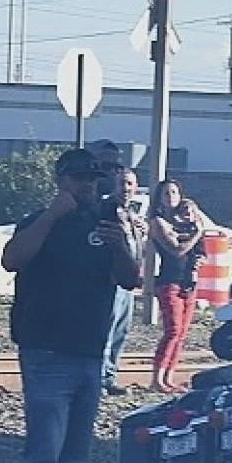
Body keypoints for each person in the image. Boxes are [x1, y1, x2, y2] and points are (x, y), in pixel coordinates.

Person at [0, 147, 143, 463]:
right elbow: (12, 259)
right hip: (46, 351)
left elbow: (130, 279)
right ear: (62, 181)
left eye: (94, 179)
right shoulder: (40, 222)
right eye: (79, 179)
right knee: (44, 457)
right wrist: (51, 215)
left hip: (88, 354)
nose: (88, 186)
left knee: (73, 461)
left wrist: (122, 248)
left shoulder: (106, 224)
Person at [147, 178, 207, 394]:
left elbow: (199, 250)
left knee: (182, 333)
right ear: (159, 199)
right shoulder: (158, 222)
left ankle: (169, 376)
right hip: (169, 280)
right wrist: (197, 233)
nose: (171, 197)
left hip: (188, 282)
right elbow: (176, 250)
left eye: (174, 192)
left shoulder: (187, 220)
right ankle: (157, 377)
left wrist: (199, 259)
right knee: (172, 330)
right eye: (166, 193)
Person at [94, 167, 144, 395]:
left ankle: (110, 375)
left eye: (130, 184)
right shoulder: (105, 209)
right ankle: (99, 378)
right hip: (111, 279)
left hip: (128, 280)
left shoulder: (132, 214)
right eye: (122, 183)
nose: (126, 188)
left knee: (121, 330)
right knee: (107, 328)